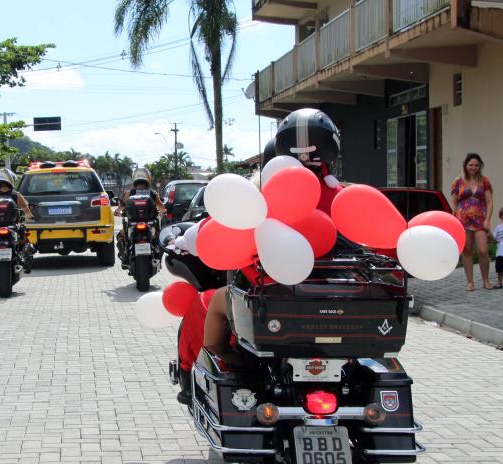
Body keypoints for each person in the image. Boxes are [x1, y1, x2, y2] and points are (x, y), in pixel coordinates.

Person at [174, 108, 342, 405]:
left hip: (276, 301)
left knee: (211, 301)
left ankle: (211, 369)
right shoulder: (345, 196)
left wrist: (187, 240)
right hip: (339, 304)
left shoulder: (262, 192)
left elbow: (219, 231)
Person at [450, 153, 494, 291]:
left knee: (483, 250)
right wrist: (454, 220)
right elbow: (454, 203)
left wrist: (488, 220)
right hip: (463, 220)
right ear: (466, 165)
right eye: (471, 165)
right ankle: (470, 282)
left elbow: (489, 201)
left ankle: (486, 280)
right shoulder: (457, 181)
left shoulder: (484, 181)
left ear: (480, 166)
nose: (473, 167)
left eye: (476, 165)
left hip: (480, 220)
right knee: (467, 250)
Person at [0, 170, 33, 274]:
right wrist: (30, 216)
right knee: (25, 240)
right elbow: (26, 210)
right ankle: (24, 260)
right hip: (12, 227)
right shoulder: (16, 195)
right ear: (10, 180)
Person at [115, 167, 166, 267]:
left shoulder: (129, 193)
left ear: (134, 178)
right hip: (150, 225)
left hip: (132, 225)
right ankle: (158, 259)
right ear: (148, 178)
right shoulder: (153, 193)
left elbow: (120, 207)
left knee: (120, 236)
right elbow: (162, 208)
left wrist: (117, 212)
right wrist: (163, 211)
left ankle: (125, 257)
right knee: (161, 238)